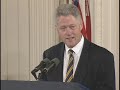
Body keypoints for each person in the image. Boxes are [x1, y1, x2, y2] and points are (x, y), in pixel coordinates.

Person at [42, 4, 115, 90]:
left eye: (72, 27)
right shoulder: (50, 55)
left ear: (81, 25)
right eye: (63, 28)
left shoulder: (103, 57)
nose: (68, 32)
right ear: (57, 29)